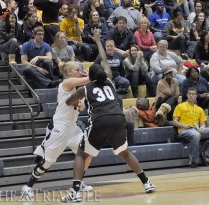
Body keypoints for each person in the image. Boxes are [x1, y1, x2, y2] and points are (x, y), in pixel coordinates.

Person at [61, 29, 156, 202]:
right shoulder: (110, 81)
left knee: (81, 154)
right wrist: (98, 41)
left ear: (90, 77)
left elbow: (68, 102)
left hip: (100, 121)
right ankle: (147, 182)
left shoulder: (85, 88)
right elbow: (104, 60)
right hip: (119, 119)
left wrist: (78, 101)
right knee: (125, 153)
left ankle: (74, 193)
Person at [21, 60, 93, 198]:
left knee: (88, 152)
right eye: (77, 70)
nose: (79, 72)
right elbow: (89, 79)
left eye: (80, 70)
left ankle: (78, 182)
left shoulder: (76, 90)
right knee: (48, 162)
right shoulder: (65, 83)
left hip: (72, 126)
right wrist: (90, 75)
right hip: (60, 127)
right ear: (69, 72)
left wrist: (85, 98)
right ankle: (28, 186)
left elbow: (81, 107)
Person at [172, 87, 209, 168]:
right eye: (190, 94)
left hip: (197, 129)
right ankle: (193, 160)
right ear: (187, 95)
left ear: (196, 96)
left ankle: (208, 154)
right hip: (184, 130)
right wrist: (184, 125)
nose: (191, 95)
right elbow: (174, 122)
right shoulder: (180, 106)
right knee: (196, 135)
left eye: (193, 94)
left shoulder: (199, 109)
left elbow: (202, 123)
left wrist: (202, 127)